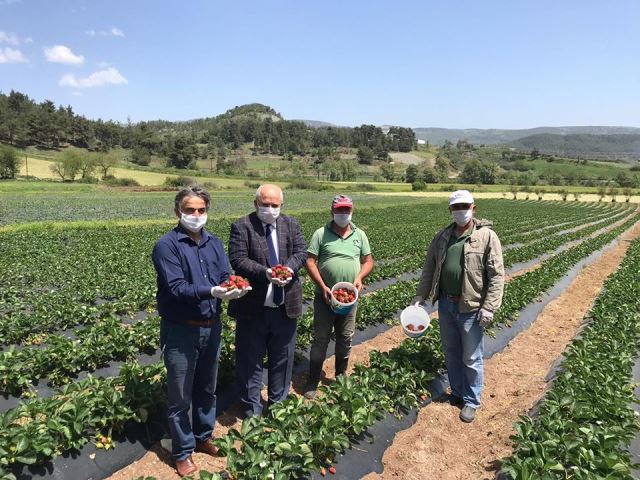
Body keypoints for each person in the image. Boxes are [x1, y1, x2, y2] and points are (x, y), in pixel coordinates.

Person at [152, 186, 249, 477]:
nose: (196, 215)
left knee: (207, 388)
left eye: (201, 210)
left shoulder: (214, 243)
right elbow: (177, 287)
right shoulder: (166, 246)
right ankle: (181, 452)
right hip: (181, 330)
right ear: (177, 212)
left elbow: (222, 275)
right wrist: (213, 291)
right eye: (190, 210)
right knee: (180, 396)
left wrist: (232, 285)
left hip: (211, 326)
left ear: (207, 211)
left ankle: (203, 437)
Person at [412, 190, 504, 423]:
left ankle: (472, 401)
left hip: (471, 307)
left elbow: (496, 275)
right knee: (451, 352)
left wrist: (489, 307)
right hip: (446, 304)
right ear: (450, 210)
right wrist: (420, 297)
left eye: (465, 206)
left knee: (472, 357)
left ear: (474, 208)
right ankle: (458, 392)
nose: (460, 210)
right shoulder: (442, 237)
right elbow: (429, 269)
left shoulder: (486, 237)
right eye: (456, 207)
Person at [228, 184, 307, 417]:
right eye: (265, 204)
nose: (270, 209)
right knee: (250, 360)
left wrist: (288, 270)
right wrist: (267, 273)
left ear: (281, 206)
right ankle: (251, 408)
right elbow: (238, 259)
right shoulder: (242, 226)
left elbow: (301, 252)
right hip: (253, 307)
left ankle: (277, 406)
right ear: (256, 204)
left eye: (275, 205)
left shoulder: (291, 224)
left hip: (285, 306)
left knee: (283, 359)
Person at [304, 194, 374, 399]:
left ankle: (341, 376)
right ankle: (313, 379)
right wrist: (323, 286)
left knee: (345, 337)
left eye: (346, 209)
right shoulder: (320, 234)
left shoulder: (359, 235)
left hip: (349, 298)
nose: (343, 213)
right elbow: (310, 261)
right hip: (324, 297)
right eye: (339, 210)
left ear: (352, 211)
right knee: (321, 338)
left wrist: (359, 277)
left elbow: (368, 261)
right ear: (332, 211)